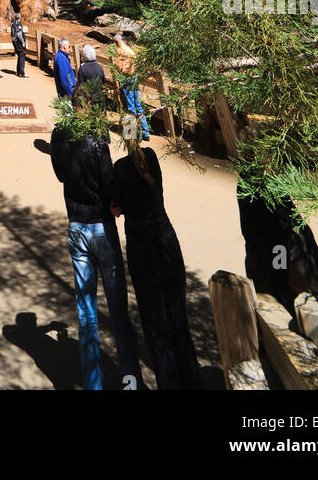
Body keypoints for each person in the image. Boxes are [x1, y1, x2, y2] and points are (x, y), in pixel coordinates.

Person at [50, 86, 142, 390]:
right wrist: (116, 202)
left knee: (86, 312)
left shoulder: (59, 135)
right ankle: (130, 381)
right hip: (101, 226)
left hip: (76, 225)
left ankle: (93, 385)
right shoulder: (96, 138)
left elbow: (61, 176)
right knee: (118, 313)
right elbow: (107, 180)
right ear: (88, 105)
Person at [110, 140, 201, 390]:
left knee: (155, 325)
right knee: (178, 318)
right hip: (166, 240)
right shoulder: (151, 157)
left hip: (142, 249)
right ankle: (192, 382)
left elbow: (116, 208)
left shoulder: (119, 169)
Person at [237, 182, 318, 317]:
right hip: (275, 257)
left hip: (277, 256)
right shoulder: (255, 184)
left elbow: (282, 239)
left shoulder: (255, 183)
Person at [114, 33, 150, 141]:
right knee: (138, 104)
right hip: (134, 78)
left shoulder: (120, 52)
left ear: (116, 42)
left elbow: (120, 69)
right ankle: (145, 132)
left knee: (130, 106)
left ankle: (136, 134)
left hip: (127, 79)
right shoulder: (130, 51)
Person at [10, 8, 28, 78]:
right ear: (19, 17)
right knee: (22, 57)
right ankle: (21, 73)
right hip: (19, 43)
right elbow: (19, 34)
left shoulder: (13, 24)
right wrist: (23, 42)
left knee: (19, 57)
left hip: (15, 42)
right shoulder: (18, 24)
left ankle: (18, 72)